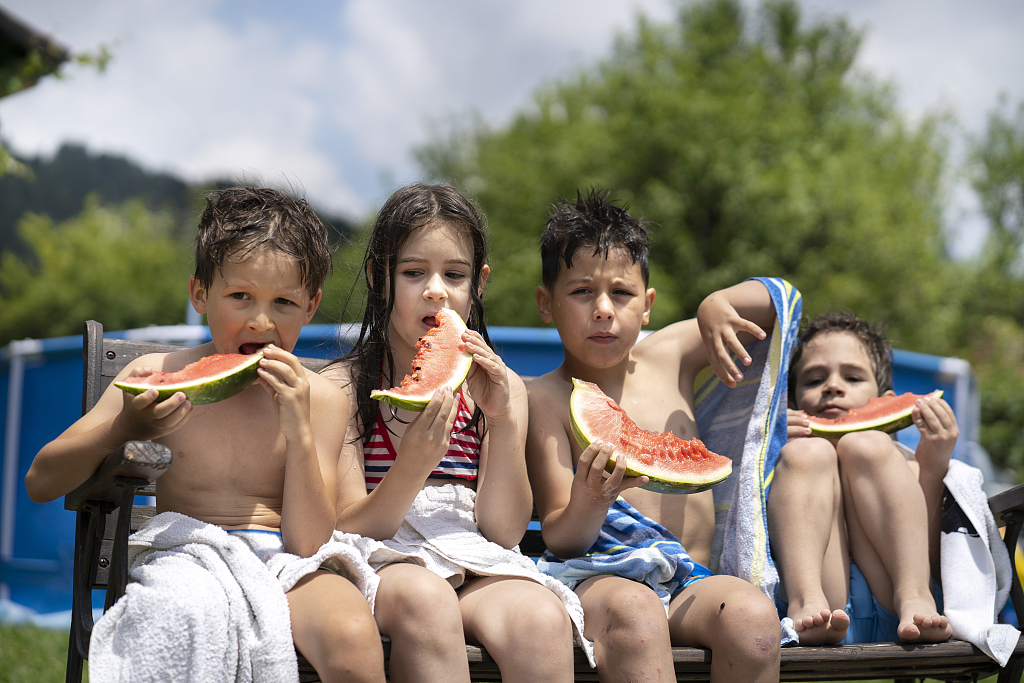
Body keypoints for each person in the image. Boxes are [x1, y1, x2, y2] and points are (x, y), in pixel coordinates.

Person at [25, 187, 385, 683]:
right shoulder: (154, 374)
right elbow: (40, 481)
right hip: (188, 558)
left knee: (352, 634)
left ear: (311, 306)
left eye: (284, 302)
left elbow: (306, 543)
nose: (261, 320)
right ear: (200, 295)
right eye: (241, 297)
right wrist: (125, 426)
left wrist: (299, 431)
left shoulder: (322, 399)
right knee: (183, 611)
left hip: (290, 564)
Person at [323, 183, 586, 683]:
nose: (436, 290)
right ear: (381, 278)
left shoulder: (501, 389)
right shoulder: (343, 387)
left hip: (472, 556)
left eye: (455, 274)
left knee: (540, 619)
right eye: (413, 272)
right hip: (384, 560)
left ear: (478, 283)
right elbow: (351, 526)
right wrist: (412, 467)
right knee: (428, 601)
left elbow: (504, 532)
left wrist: (506, 420)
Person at [526, 189, 782, 683]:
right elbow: (562, 536)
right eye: (581, 292)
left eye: (621, 294)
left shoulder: (671, 353)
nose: (603, 309)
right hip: (596, 579)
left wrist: (718, 303)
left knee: (754, 624)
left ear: (647, 305)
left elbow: (779, 302)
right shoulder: (543, 399)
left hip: (690, 581)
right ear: (546, 304)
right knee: (637, 617)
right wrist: (591, 499)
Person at [767, 311, 954, 645]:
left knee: (867, 445)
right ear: (792, 404)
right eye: (813, 380)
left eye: (852, 378)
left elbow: (932, 547)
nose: (833, 387)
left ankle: (914, 593)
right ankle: (804, 598)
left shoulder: (902, 461)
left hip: (902, 611)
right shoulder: (784, 462)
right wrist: (769, 446)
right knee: (807, 455)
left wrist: (933, 465)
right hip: (819, 613)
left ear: (885, 402)